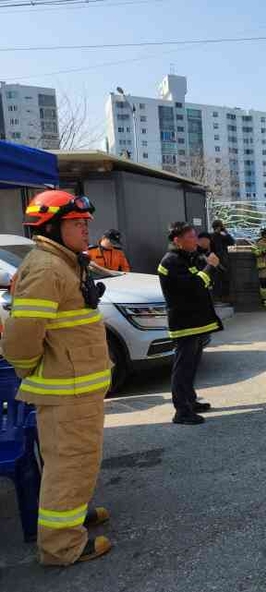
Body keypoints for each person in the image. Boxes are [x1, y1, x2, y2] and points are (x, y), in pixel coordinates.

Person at [1, 190, 113, 564]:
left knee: (76, 461)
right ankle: (61, 545)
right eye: (77, 223)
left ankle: (72, 516)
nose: (86, 229)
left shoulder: (63, 263)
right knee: (70, 462)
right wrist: (29, 368)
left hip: (78, 388)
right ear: (50, 227)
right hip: (67, 390)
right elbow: (20, 338)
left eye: (85, 223)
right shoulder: (48, 269)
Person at [158, 222, 223, 425]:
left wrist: (209, 266)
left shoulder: (189, 257)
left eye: (195, 236)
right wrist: (209, 266)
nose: (196, 240)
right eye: (191, 237)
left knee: (192, 365)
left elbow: (205, 283)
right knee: (183, 368)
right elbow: (194, 285)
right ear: (177, 240)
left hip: (196, 321)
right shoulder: (171, 261)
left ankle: (190, 401)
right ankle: (182, 411)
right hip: (184, 322)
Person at [209, 219, 235, 302]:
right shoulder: (220, 236)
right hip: (222, 259)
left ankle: (218, 297)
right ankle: (224, 296)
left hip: (216, 259)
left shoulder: (212, 236)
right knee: (224, 278)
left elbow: (232, 242)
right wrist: (226, 232)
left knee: (217, 279)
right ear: (220, 227)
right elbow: (232, 242)